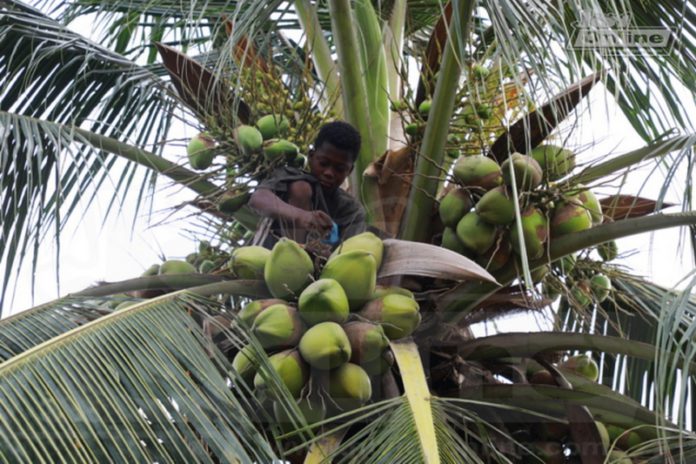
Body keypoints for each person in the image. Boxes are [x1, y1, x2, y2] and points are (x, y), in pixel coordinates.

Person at [248, 121, 367, 249]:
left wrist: (323, 251)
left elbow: (349, 251)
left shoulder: (351, 210)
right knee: (301, 188)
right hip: (266, 258)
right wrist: (302, 217)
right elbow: (258, 199)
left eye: (339, 169)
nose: (329, 173)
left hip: (319, 267)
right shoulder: (290, 175)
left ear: (349, 171)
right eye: (323, 163)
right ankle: (293, 253)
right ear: (311, 156)